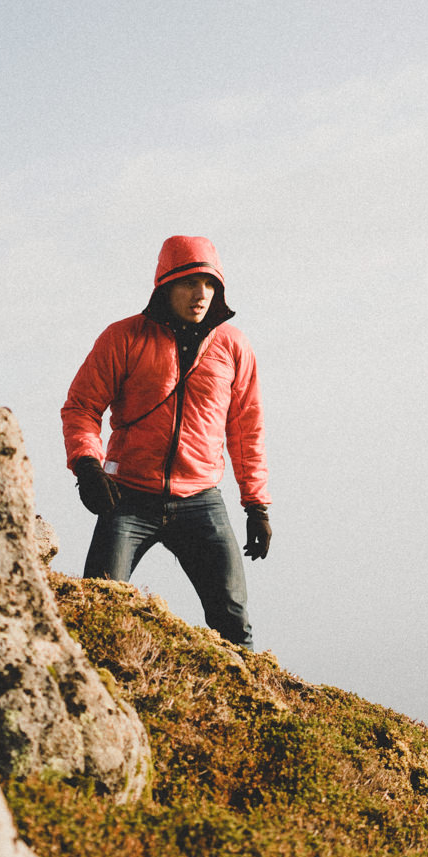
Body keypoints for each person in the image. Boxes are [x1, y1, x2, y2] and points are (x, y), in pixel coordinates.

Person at [61, 235, 270, 650]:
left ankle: (243, 712)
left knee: (233, 622)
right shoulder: (123, 337)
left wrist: (256, 505)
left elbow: (246, 429)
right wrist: (87, 465)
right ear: (165, 285)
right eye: (190, 283)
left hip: (201, 499)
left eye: (210, 285)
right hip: (128, 497)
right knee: (96, 610)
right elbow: (82, 407)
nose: (201, 294)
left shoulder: (234, 346)